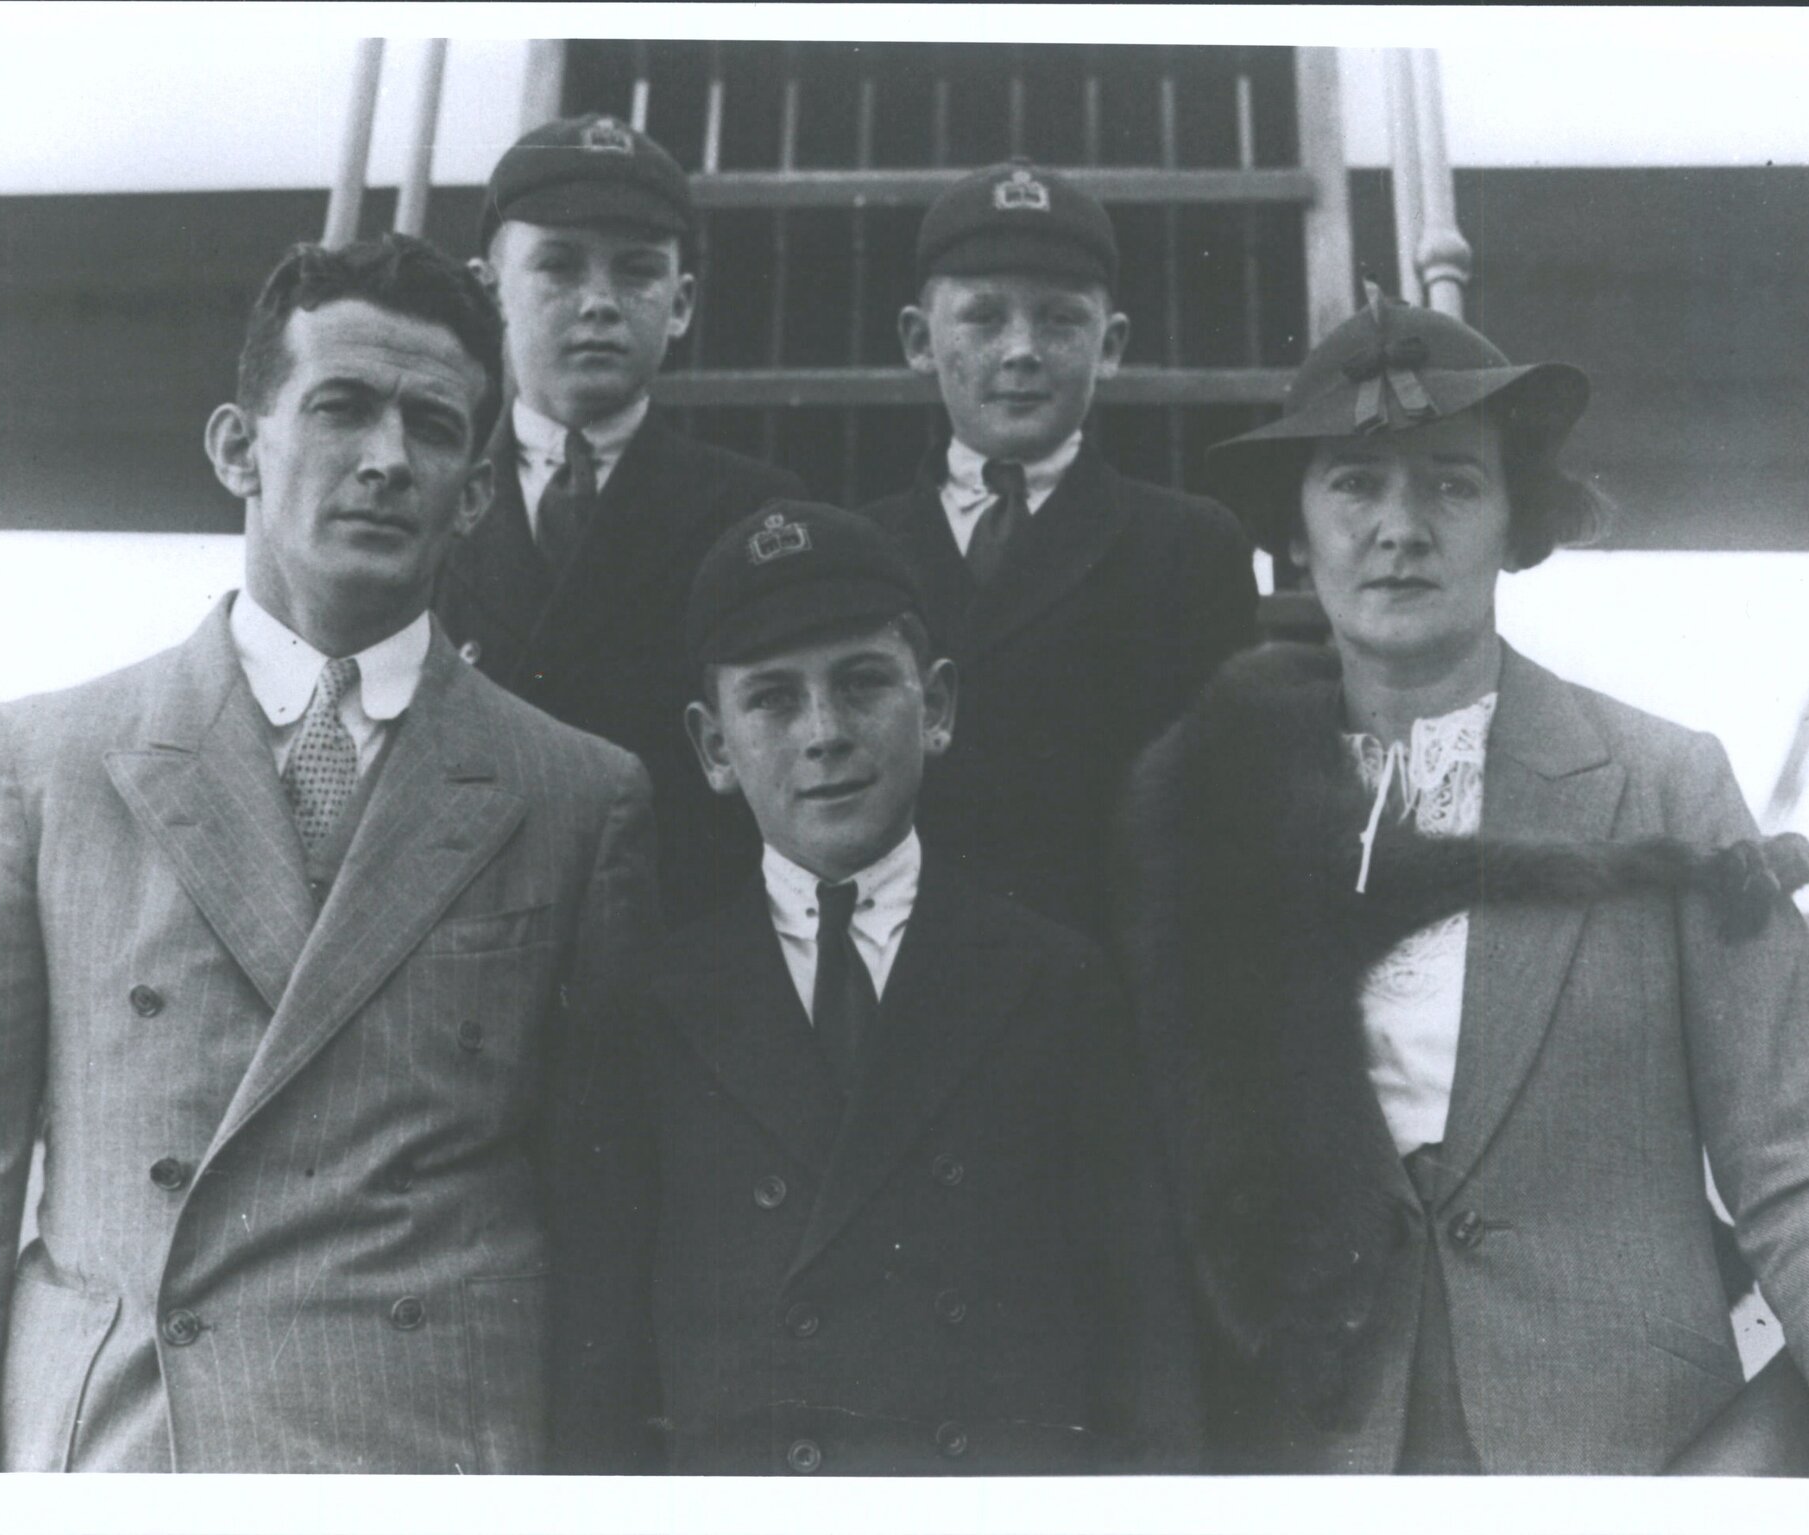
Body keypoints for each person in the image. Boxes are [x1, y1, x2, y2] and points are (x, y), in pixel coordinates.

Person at [0, 234, 657, 1473]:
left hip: (433, 1457)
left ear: (476, 493)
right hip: (136, 1452)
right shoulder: (39, 767)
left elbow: (600, 1231)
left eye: (432, 426)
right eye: (340, 406)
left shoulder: (576, 795)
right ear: (235, 448)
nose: (387, 458)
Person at [1113, 290, 1809, 1474]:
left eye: (1452, 483)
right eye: (1355, 483)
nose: (1400, 527)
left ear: (1516, 521)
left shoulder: (1661, 786)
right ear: (1295, 526)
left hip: (1627, 1464)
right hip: (1298, 1456)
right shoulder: (1195, 797)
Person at [549, 502, 1201, 1474]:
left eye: (860, 683)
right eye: (772, 699)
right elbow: (595, 1386)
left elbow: (1144, 1355)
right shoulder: (649, 1008)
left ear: (935, 706)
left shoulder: (1055, 982)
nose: (824, 733)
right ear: (713, 748)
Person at [860, 159, 1258, 940]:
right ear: (917, 340)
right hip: (903, 962)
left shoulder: (1186, 544)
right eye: (982, 317)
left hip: (1100, 971)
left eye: (1059, 320)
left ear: (1110, 346)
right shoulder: (863, 546)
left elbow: (1214, 814)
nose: (1021, 350)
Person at [435, 114, 804, 925]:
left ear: (681, 304)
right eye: (558, 265)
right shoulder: (427, 504)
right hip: (462, 938)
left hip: (672, 940)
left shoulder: (754, 515)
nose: (599, 303)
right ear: (488, 291)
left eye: (637, 271)